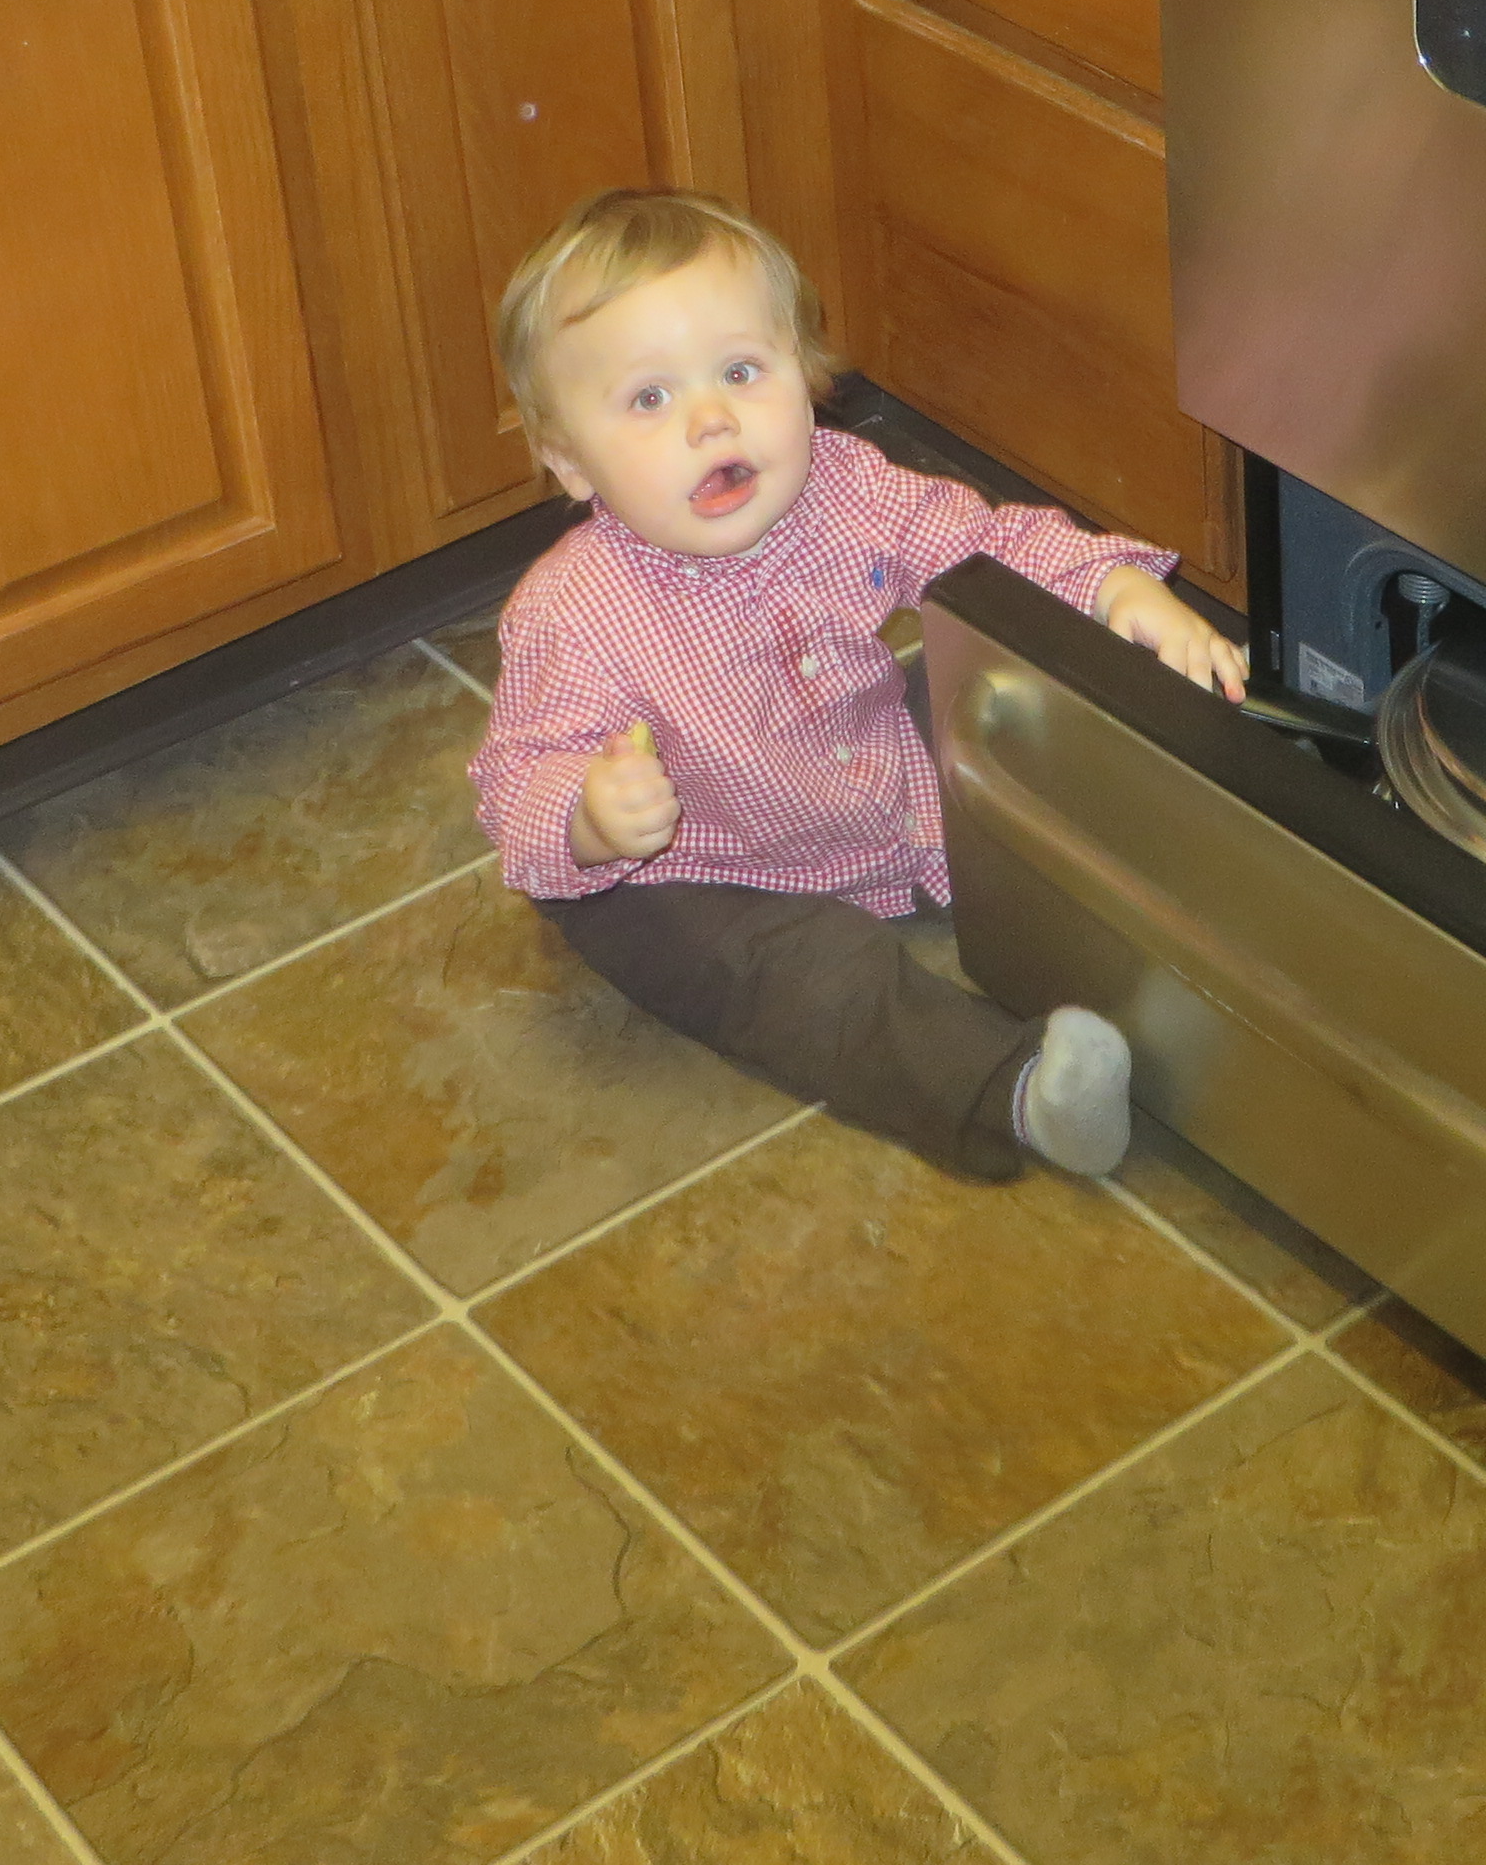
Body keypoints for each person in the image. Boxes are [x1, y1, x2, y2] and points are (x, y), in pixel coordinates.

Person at [465, 187, 1247, 1182]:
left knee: (1004, 692)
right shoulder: (571, 613)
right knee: (812, 985)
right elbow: (514, 783)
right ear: (570, 461)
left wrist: (1113, 587)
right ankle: (1013, 1093)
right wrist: (587, 816)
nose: (711, 420)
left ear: (805, 376)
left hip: (868, 765)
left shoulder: (847, 486)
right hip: (699, 872)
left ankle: (1184, 908)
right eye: (649, 399)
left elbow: (983, 548)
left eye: (740, 372)